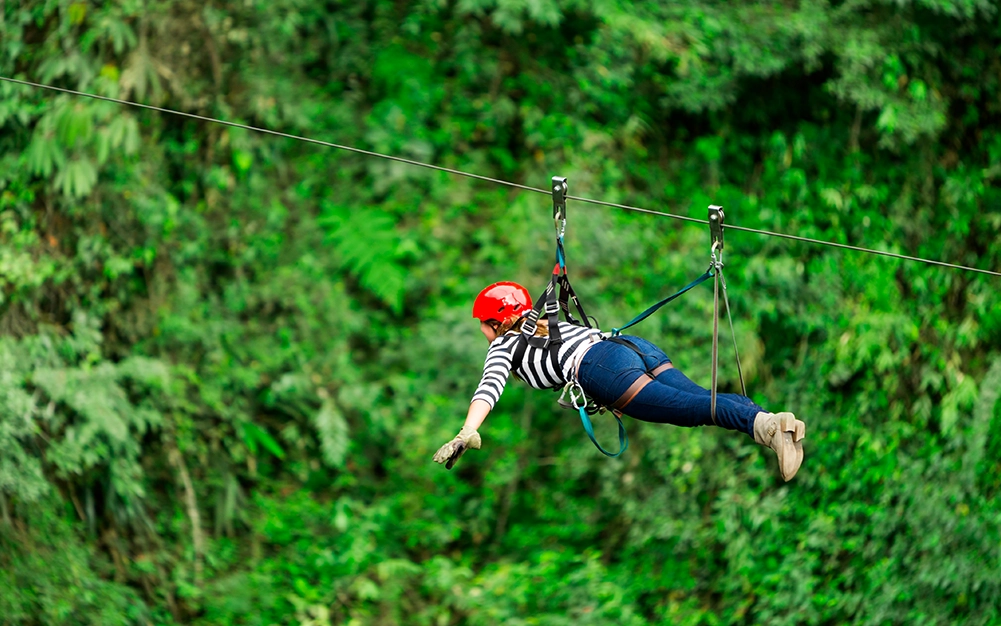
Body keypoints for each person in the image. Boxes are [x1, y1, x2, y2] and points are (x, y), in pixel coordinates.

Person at [432, 282, 807, 481]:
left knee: (694, 410)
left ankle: (768, 426)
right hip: (630, 346)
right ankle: (773, 423)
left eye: (482, 324)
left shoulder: (503, 345)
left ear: (497, 323)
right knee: (698, 398)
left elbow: (488, 389)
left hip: (602, 368)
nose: (482, 332)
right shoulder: (546, 321)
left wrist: (466, 432)